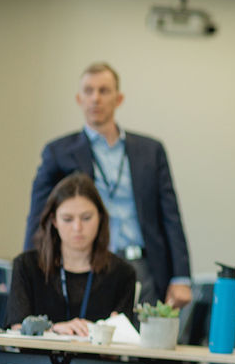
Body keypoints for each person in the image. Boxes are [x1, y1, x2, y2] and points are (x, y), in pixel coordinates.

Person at [25, 62, 192, 310]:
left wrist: (181, 276)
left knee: (141, 344)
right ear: (79, 99)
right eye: (88, 91)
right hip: (86, 264)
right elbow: (39, 214)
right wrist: (29, 274)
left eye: (104, 90)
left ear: (119, 98)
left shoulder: (150, 151)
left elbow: (170, 216)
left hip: (143, 266)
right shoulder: (58, 152)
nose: (95, 98)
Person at [3, 173, 136, 364]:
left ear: (101, 219)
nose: (78, 228)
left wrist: (100, 332)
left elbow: (123, 337)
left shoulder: (122, 273)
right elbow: (16, 325)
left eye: (86, 218)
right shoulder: (27, 265)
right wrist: (53, 328)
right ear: (53, 220)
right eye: (67, 218)